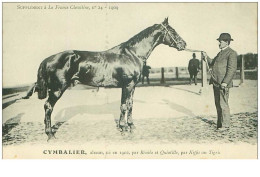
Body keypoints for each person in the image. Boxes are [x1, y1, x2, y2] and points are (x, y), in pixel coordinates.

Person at [202, 33, 237, 130]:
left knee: (223, 104)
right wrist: (206, 57)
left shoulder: (231, 53)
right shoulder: (220, 53)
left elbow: (232, 69)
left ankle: (225, 125)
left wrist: (225, 82)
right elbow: (212, 62)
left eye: (220, 42)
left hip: (223, 84)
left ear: (226, 42)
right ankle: (220, 124)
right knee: (218, 104)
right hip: (216, 82)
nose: (219, 43)